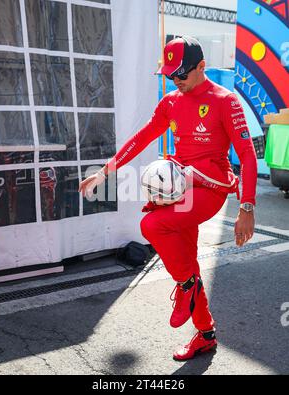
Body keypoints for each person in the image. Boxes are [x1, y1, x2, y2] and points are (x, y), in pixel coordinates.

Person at [79, 37, 257, 360]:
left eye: (182, 75)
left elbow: (246, 155)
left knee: (151, 224)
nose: (175, 81)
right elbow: (142, 137)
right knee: (187, 260)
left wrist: (247, 206)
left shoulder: (225, 101)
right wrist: (103, 172)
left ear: (202, 67)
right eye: (170, 75)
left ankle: (186, 287)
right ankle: (205, 333)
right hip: (179, 189)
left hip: (210, 189)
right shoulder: (171, 101)